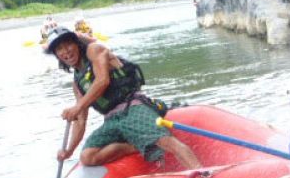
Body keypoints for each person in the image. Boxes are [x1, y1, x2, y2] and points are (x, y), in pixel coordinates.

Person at [45, 26, 201, 169]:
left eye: (68, 45)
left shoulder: (94, 50)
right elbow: (80, 120)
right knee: (87, 156)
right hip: (112, 120)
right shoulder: (77, 83)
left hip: (132, 107)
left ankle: (201, 174)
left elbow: (102, 81)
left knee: (166, 141)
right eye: (59, 49)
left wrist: (78, 107)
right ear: (57, 55)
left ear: (77, 44)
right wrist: (69, 150)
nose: (66, 51)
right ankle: (134, 146)